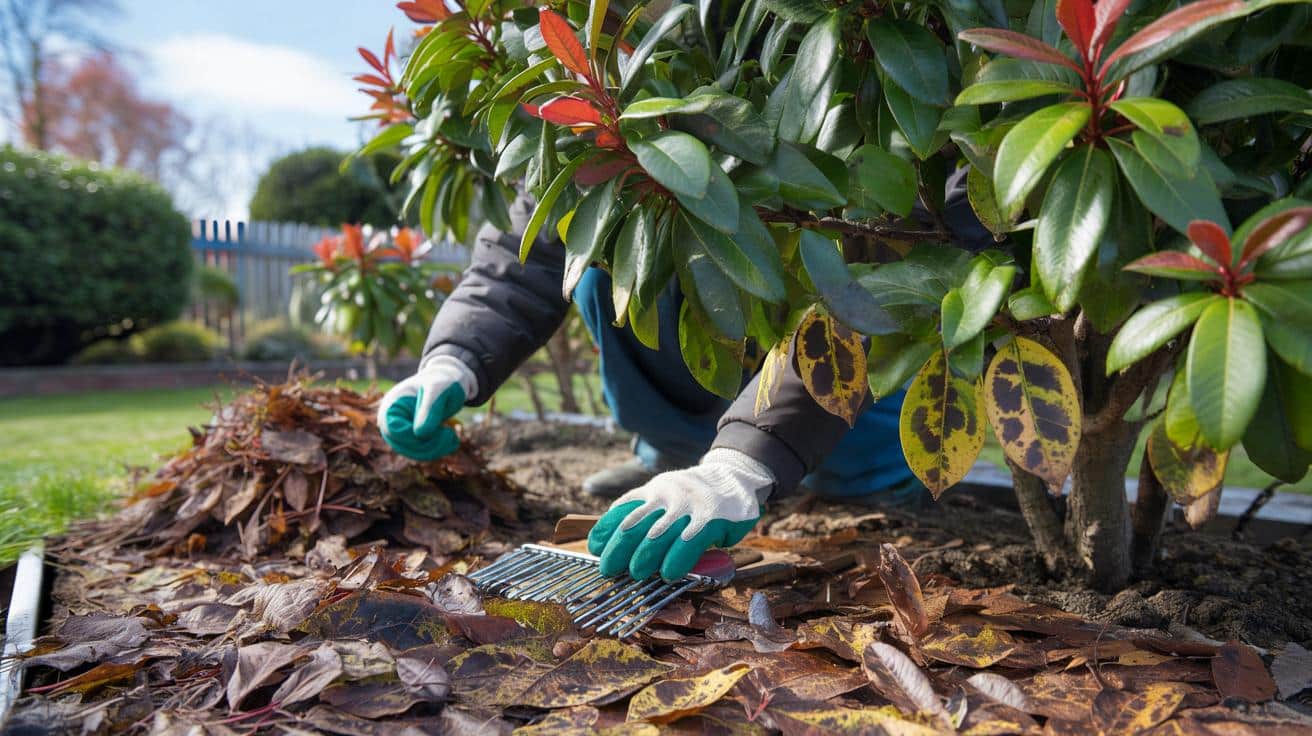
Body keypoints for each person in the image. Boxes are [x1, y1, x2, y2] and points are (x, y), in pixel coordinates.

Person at [378, 175, 984, 583]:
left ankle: (861, 473)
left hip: (853, 375)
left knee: (851, 470)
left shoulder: (793, 41)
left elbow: (885, 278)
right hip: (708, 392)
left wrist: (744, 463)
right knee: (601, 265)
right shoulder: (576, 93)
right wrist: (454, 358)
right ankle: (675, 454)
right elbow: (527, 253)